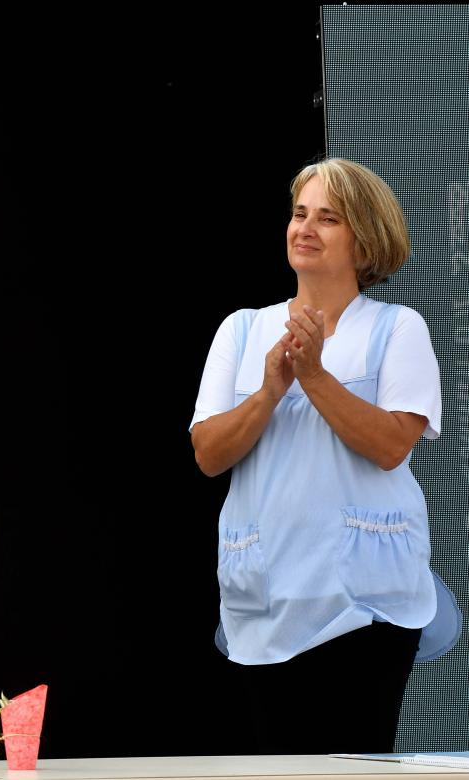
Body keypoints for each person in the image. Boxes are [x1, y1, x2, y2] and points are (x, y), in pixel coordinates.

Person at [190, 158, 460, 754]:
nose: (305, 227)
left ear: (365, 239)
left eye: (328, 218)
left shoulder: (399, 329)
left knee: (356, 764)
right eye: (299, 213)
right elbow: (208, 453)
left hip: (365, 609)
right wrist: (267, 393)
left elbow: (392, 444)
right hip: (263, 605)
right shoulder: (240, 330)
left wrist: (313, 376)